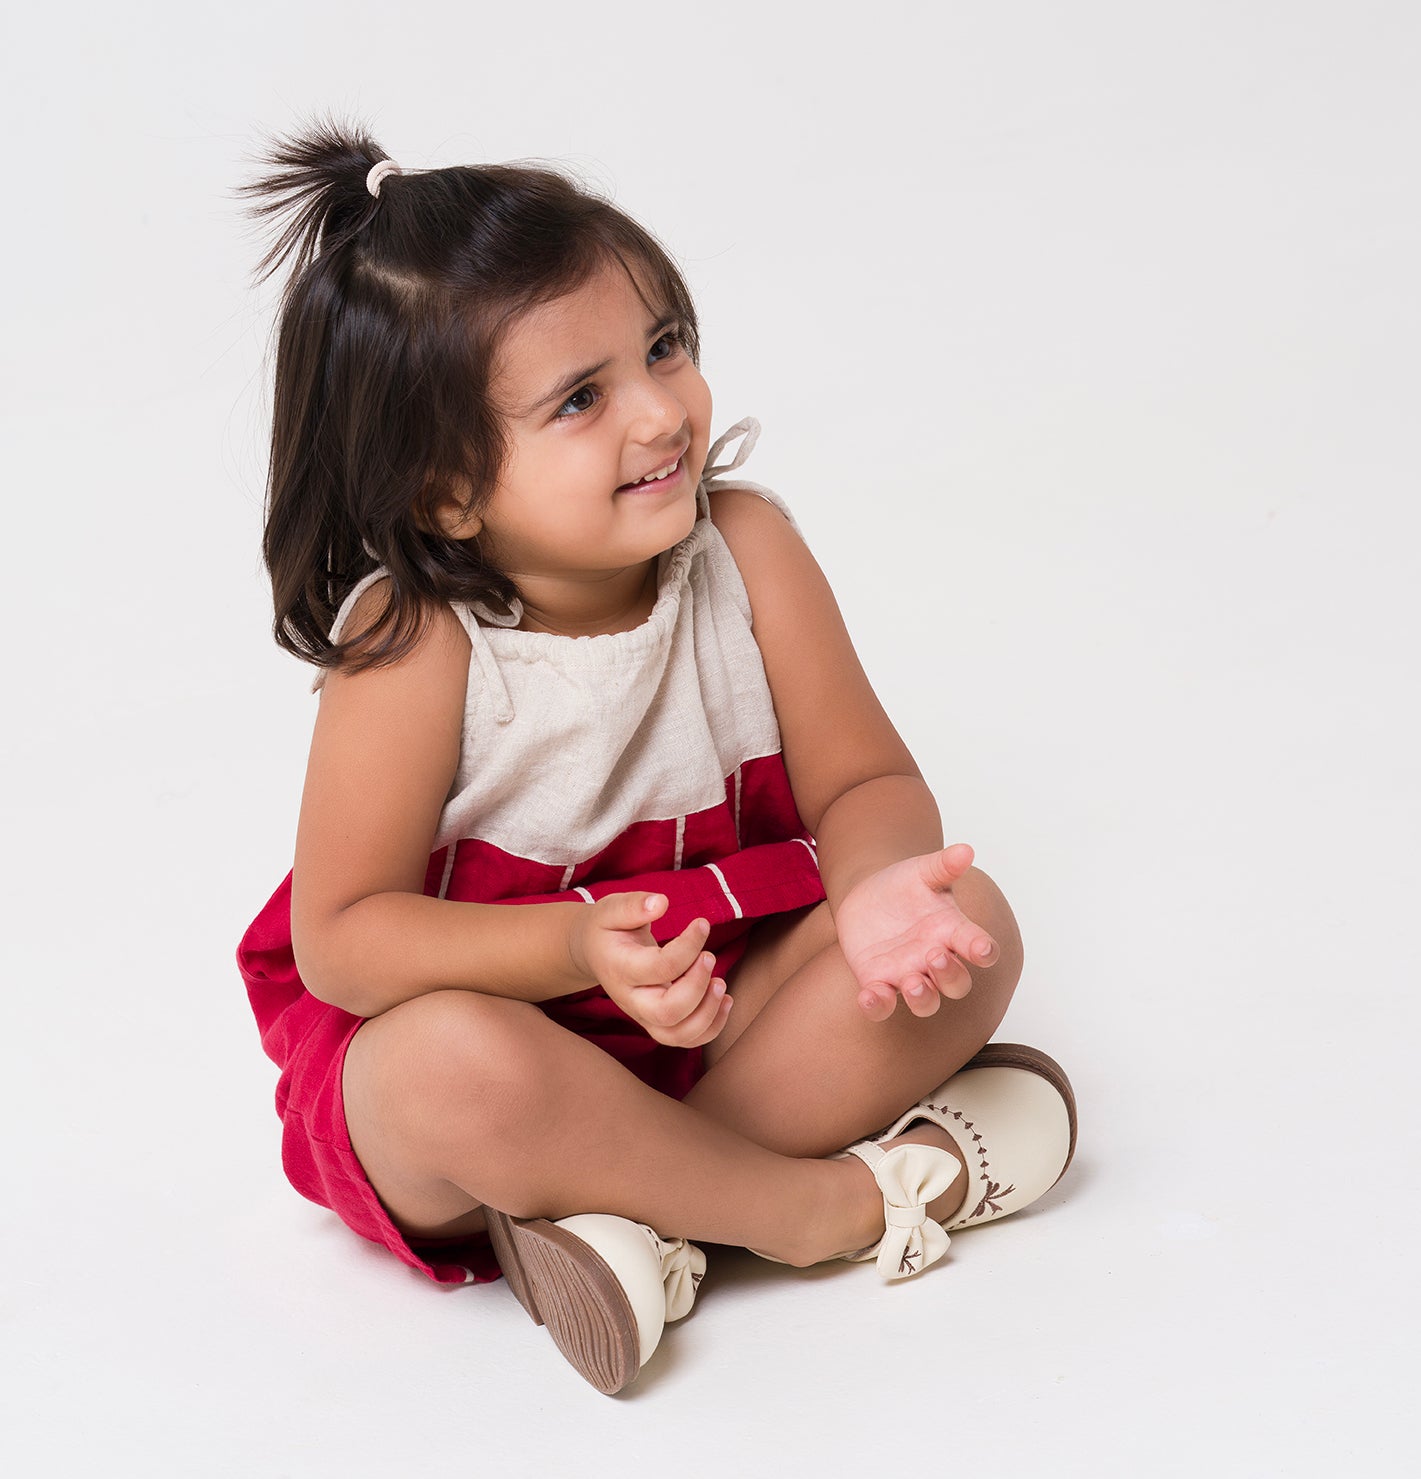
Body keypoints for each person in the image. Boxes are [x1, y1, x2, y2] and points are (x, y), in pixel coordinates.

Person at [236, 120, 1078, 1396]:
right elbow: (345, 942)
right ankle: (832, 1207)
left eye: (664, 346)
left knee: (976, 928)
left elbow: (866, 785)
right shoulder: (415, 643)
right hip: (501, 1060)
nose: (659, 410)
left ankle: (636, 1218)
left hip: (717, 1018)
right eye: (580, 399)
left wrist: (878, 895)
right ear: (447, 491)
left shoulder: (748, 553)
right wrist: (575, 948)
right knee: (449, 1065)